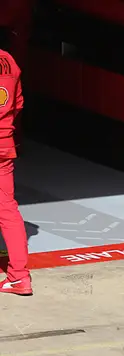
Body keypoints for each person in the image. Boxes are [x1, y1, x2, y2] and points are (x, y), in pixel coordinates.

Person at [0, 48, 30, 296]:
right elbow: (18, 104)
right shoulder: (8, 60)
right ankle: (19, 277)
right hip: (4, 144)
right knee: (8, 210)